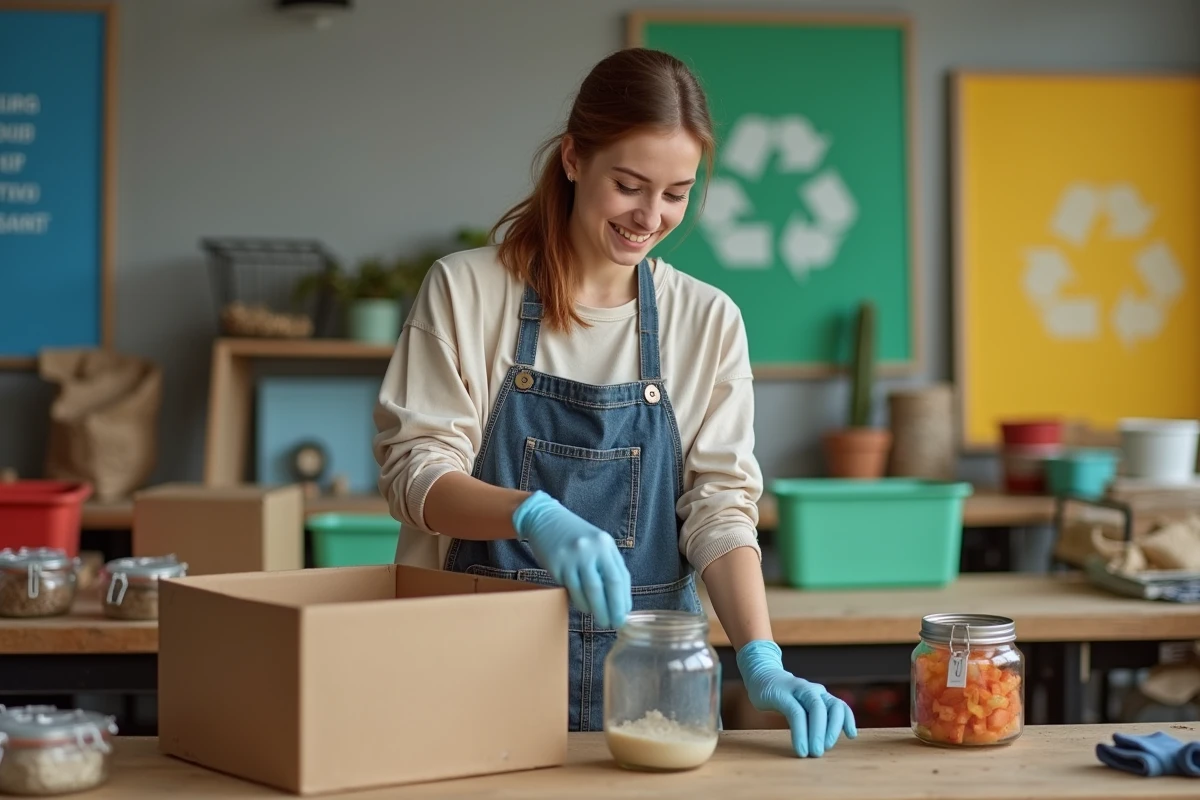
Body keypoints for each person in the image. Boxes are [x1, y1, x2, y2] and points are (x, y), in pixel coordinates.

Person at [373, 46, 856, 758]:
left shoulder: (707, 320)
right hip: (465, 675)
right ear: (573, 158)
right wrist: (530, 513)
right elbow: (413, 474)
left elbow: (720, 508)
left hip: (650, 693)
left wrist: (761, 657)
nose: (650, 216)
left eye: (676, 193)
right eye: (629, 185)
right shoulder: (468, 292)